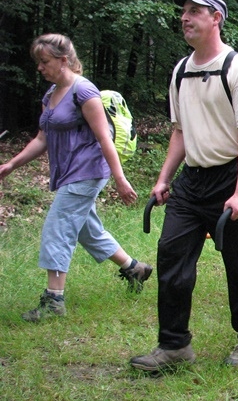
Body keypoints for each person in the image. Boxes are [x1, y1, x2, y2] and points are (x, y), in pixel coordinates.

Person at [130, 0, 238, 371]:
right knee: (171, 255)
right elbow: (180, 131)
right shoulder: (181, 70)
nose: (185, 18)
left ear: (216, 19)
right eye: (183, 12)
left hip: (233, 178)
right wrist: (164, 179)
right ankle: (174, 345)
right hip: (192, 182)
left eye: (195, 12)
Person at [0, 33, 152, 322]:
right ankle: (134, 268)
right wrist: (11, 164)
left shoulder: (84, 92)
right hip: (68, 173)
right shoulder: (50, 94)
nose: (39, 68)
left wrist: (120, 179)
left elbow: (105, 138)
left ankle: (53, 301)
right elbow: (42, 139)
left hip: (87, 172)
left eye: (44, 62)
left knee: (57, 229)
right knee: (85, 229)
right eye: (38, 62)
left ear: (64, 60)